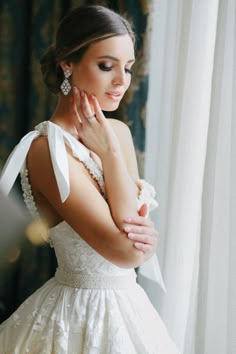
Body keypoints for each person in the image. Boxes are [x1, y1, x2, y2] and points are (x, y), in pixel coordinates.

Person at [0, 5, 180, 353]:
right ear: (68, 63)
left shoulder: (117, 133)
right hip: (79, 313)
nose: (121, 81)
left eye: (127, 68)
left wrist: (110, 152)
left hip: (130, 307)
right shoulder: (46, 150)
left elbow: (130, 233)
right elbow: (126, 251)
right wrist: (112, 158)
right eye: (106, 66)